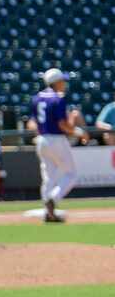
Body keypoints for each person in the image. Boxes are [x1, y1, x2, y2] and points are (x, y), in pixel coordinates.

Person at [25, 68, 88, 223]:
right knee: (71, 174)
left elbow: (31, 123)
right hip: (56, 139)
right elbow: (63, 125)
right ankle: (53, 199)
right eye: (62, 80)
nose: (64, 83)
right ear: (56, 82)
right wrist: (79, 132)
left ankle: (49, 212)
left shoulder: (37, 98)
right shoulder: (58, 98)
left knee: (48, 177)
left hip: (42, 140)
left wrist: (41, 132)